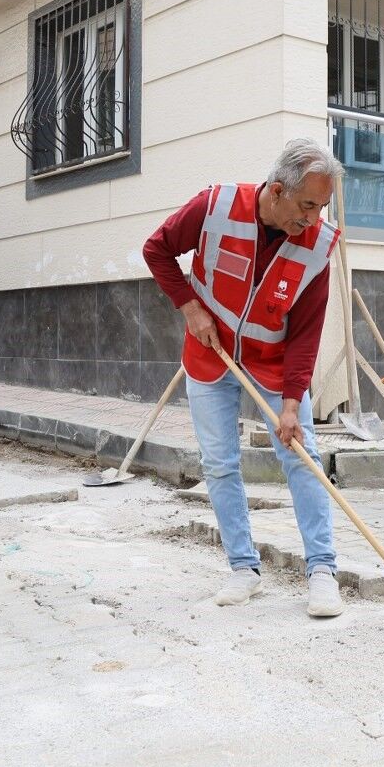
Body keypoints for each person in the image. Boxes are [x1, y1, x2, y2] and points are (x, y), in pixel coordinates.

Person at [142, 139, 344, 617]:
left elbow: (306, 331)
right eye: (307, 205)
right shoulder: (214, 207)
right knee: (219, 463)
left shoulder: (316, 246)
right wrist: (190, 308)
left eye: (322, 207)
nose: (314, 219)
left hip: (273, 363)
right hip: (211, 359)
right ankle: (243, 568)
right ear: (277, 191)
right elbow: (157, 251)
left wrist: (292, 402)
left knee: (301, 456)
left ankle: (322, 570)